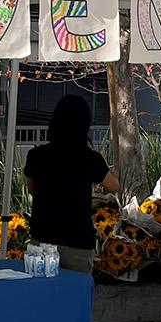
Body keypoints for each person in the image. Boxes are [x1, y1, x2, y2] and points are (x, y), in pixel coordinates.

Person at [24, 95, 120, 272]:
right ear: (85, 125)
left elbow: (32, 190)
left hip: (41, 243)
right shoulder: (90, 159)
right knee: (75, 297)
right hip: (77, 244)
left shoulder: (36, 156)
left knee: (41, 298)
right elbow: (114, 186)